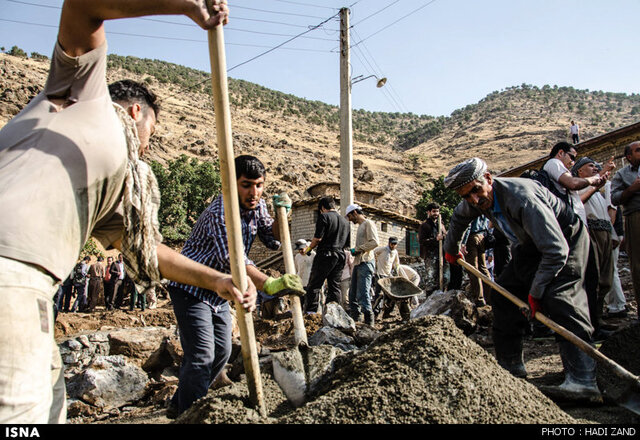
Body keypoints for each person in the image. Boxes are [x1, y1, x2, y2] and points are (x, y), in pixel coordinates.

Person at [0, 0, 256, 425]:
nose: (149, 146)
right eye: (151, 132)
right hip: (11, 279)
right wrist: (185, 5)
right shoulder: (81, 92)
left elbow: (148, 251)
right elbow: (83, 6)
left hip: (28, 295)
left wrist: (221, 281)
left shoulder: (113, 189)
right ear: (136, 111)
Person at [443, 158, 601, 403]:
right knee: (504, 297)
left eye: (476, 190)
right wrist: (451, 250)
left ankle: (583, 380)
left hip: (566, 240)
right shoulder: (474, 202)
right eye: (466, 196)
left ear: (488, 178)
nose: (474, 200)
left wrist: (536, 294)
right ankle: (511, 368)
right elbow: (457, 219)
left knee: (560, 298)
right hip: (528, 246)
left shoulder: (522, 198)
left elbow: (556, 251)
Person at [166, 155, 304, 418]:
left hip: (220, 289)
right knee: (202, 355)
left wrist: (281, 216)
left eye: (259, 185)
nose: (254, 192)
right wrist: (268, 283)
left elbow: (271, 237)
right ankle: (189, 414)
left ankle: (180, 401)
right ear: (231, 183)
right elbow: (232, 259)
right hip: (191, 287)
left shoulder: (258, 205)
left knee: (222, 351)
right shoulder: (221, 212)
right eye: (246, 185)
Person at [572, 157, 617, 339]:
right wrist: (596, 183)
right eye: (589, 166)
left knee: (606, 277)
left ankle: (599, 317)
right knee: (595, 278)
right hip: (593, 231)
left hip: (604, 231)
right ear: (580, 172)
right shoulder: (581, 187)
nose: (594, 168)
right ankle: (592, 323)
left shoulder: (598, 190)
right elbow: (579, 203)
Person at [303, 196, 351, 314]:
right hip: (340, 256)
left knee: (314, 285)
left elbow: (318, 239)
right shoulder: (346, 222)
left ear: (323, 208)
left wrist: (308, 249)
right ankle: (333, 314)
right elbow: (346, 244)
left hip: (325, 254)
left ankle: (311, 313)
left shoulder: (324, 217)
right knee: (334, 286)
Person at [543, 142, 605, 225]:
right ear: (561, 153)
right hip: (570, 224)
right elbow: (573, 183)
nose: (572, 163)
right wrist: (594, 179)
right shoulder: (554, 162)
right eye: (571, 157)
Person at [611, 141, 640, 321]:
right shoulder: (622, 174)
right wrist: (632, 189)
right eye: (638, 150)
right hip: (636, 218)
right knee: (638, 265)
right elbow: (614, 199)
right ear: (629, 156)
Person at [345, 204, 380, 325]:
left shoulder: (368, 223)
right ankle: (356, 321)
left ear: (355, 212)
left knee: (364, 293)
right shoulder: (360, 227)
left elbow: (375, 242)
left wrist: (358, 249)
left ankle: (369, 323)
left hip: (366, 262)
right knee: (352, 294)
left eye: (349, 216)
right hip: (358, 262)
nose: (349, 219)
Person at [460, 215, 492, 306]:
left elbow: (468, 226)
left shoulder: (471, 207)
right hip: (482, 236)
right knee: (483, 268)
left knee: (473, 269)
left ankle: (479, 299)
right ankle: (489, 297)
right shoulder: (482, 208)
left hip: (472, 237)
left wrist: (463, 243)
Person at [418, 203, 449, 293]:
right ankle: (430, 301)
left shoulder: (441, 225)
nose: (436, 213)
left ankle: (441, 298)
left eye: (437, 211)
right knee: (431, 282)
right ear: (428, 212)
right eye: (433, 211)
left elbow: (445, 237)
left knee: (445, 278)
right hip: (430, 256)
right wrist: (436, 239)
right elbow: (422, 241)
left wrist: (444, 236)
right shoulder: (424, 226)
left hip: (442, 255)